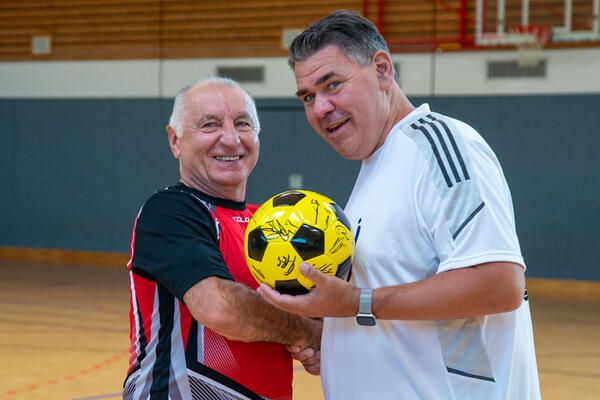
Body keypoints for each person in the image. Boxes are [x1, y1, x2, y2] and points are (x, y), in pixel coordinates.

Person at [258, 10, 541, 400]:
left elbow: (499, 283)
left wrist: (356, 304)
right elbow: (385, 306)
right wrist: (335, 334)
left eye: (333, 85)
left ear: (382, 70)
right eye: (308, 97)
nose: (320, 107)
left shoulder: (440, 146)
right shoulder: (373, 169)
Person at [123, 77, 321, 400]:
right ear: (175, 141)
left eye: (242, 124)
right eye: (209, 125)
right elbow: (221, 308)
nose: (230, 139)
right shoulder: (171, 211)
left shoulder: (268, 224)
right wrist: (305, 332)